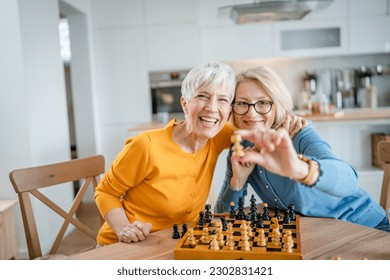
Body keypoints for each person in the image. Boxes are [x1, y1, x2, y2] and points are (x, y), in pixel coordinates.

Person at [214, 65, 390, 232]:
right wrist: (237, 181)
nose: (251, 113)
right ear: (232, 108)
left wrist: (299, 168)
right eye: (242, 103)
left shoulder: (296, 132)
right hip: (317, 235)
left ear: (277, 105)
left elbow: (349, 180)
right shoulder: (240, 148)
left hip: (365, 227)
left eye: (263, 103)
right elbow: (221, 216)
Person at [94, 61, 237, 245]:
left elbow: (261, 132)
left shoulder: (217, 136)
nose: (212, 107)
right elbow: (105, 192)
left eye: (222, 100)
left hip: (174, 243)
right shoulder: (146, 146)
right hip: (124, 245)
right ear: (185, 104)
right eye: (203, 96)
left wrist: (285, 120)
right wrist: (124, 229)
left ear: (229, 110)